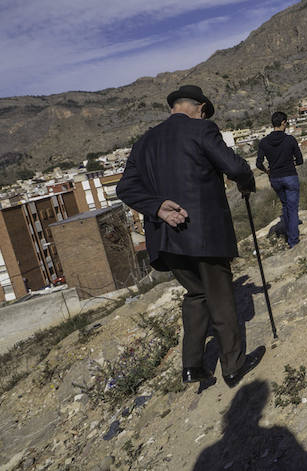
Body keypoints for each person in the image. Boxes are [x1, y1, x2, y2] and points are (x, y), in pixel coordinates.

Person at [117, 85, 263, 388]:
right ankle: (233, 367)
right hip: (204, 233)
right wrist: (246, 183)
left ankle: (192, 365)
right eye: (205, 111)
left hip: (166, 239)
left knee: (196, 294)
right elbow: (234, 166)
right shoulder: (201, 129)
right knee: (220, 297)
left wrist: (157, 208)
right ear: (200, 107)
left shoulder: (144, 142)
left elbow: (125, 189)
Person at [256, 112, 303, 249]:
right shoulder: (290, 140)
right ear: (283, 122)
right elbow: (300, 160)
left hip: (275, 178)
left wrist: (267, 171)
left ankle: (289, 235)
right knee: (292, 208)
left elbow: (259, 163)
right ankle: (293, 241)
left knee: (285, 206)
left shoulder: (264, 142)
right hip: (289, 176)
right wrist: (291, 164)